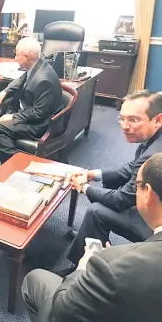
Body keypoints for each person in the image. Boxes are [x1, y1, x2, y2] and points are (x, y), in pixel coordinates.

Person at [21, 152, 162, 322]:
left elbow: (63, 309)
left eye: (136, 186)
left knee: (34, 279)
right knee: (96, 212)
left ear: (147, 192)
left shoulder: (113, 264)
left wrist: (83, 268)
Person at [59, 90, 162, 275]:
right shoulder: (156, 139)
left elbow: (120, 200)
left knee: (96, 211)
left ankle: (81, 272)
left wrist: (83, 187)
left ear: (157, 119)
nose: (125, 126)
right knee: (106, 194)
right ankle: (90, 239)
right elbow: (132, 167)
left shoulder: (152, 153)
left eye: (133, 120)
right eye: (121, 118)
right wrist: (93, 174)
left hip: (156, 226)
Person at [0, 37, 63, 185]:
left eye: (17, 54)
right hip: (30, 113)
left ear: (27, 57)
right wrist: (6, 91)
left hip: (40, 124)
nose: (15, 58)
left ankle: (18, 168)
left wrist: (12, 117)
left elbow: (38, 114)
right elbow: (22, 79)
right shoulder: (37, 65)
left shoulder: (44, 80)